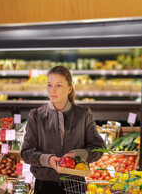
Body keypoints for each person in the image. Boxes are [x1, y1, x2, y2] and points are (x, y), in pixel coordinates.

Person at [21, 65, 105, 194]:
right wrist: (47, 159)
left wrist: (77, 155)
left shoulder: (83, 114)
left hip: (75, 185)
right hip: (44, 185)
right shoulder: (36, 115)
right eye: (49, 85)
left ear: (69, 88)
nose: (53, 90)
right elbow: (26, 152)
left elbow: (98, 148)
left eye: (58, 85)